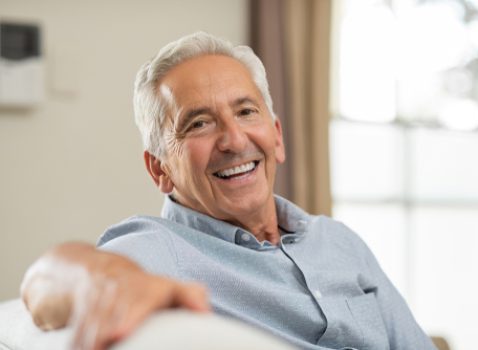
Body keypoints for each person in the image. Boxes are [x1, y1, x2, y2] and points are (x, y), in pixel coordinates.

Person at [21, 32, 437, 350]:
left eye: (246, 111)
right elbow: (44, 282)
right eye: (199, 123)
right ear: (159, 169)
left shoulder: (340, 242)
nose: (234, 140)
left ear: (276, 136)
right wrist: (107, 280)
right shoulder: (161, 250)